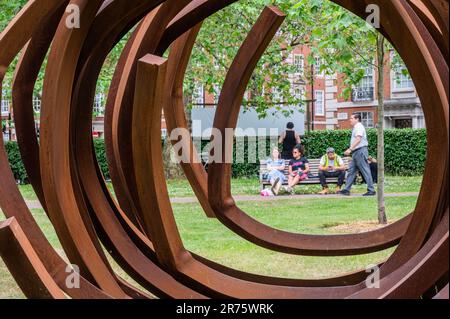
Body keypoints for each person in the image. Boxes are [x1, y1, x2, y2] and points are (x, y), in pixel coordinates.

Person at [338, 113, 376, 196]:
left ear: (357, 119)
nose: (350, 120)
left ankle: (371, 190)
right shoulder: (356, 127)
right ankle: (346, 190)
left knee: (365, 170)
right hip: (356, 152)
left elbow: (358, 139)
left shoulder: (359, 127)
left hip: (360, 151)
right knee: (351, 171)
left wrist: (350, 149)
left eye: (351, 118)